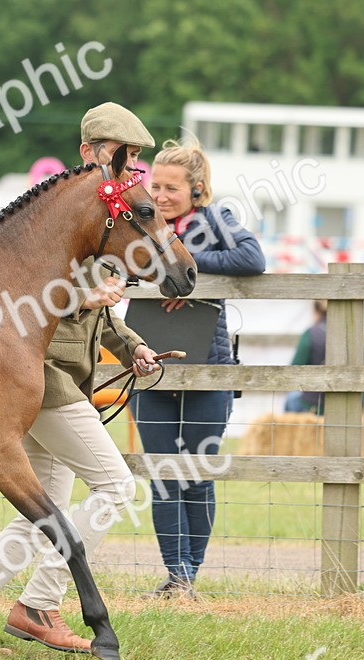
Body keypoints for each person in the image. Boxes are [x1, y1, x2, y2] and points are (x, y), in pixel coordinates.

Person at [0, 102, 161, 655]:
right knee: (115, 486)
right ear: (89, 152)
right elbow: (16, 297)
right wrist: (81, 293)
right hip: (41, 378)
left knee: (40, 511)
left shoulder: (101, 216)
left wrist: (131, 348)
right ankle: (40, 605)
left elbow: (99, 312)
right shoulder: (53, 217)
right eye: (120, 153)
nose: (129, 165)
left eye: (135, 157)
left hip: (59, 381)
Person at [129, 137, 266, 597]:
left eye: (171, 188)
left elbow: (251, 258)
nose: (161, 196)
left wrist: (182, 261)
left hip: (209, 366)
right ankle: (176, 575)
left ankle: (190, 572)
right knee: (165, 472)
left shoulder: (214, 221)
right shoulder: (138, 223)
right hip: (150, 364)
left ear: (196, 189)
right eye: (156, 186)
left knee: (196, 471)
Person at [285, 300, 328, 414]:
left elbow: (293, 370)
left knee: (291, 398)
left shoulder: (311, 334)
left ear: (315, 311)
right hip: (348, 403)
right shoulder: (355, 335)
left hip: (312, 404)